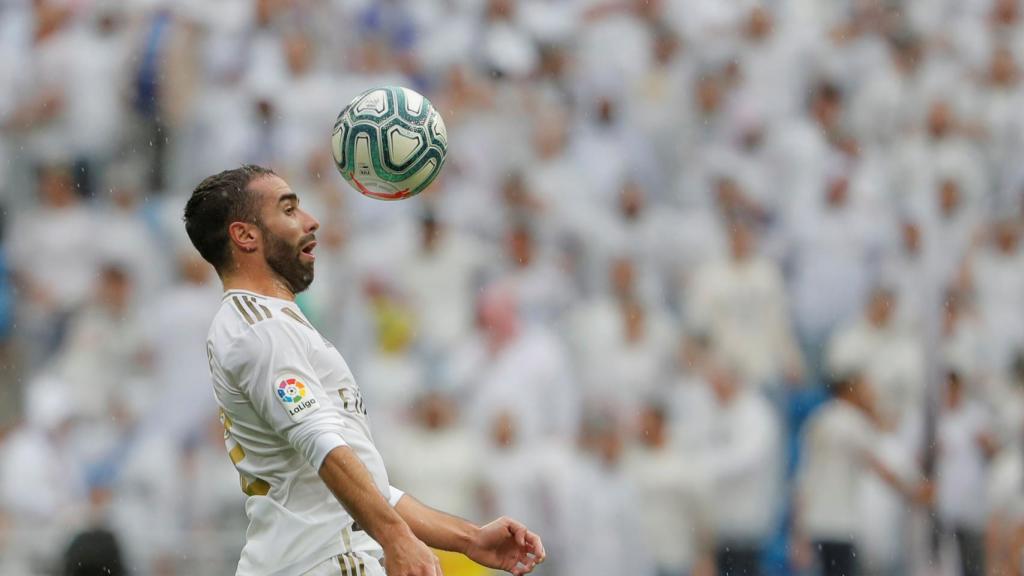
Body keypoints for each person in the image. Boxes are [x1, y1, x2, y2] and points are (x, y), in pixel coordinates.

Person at [183, 165, 545, 576]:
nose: (310, 220)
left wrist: (469, 539)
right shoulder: (261, 330)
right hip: (322, 563)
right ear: (245, 235)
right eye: (288, 210)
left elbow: (356, 478)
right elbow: (323, 446)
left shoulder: (272, 323)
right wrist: (395, 538)